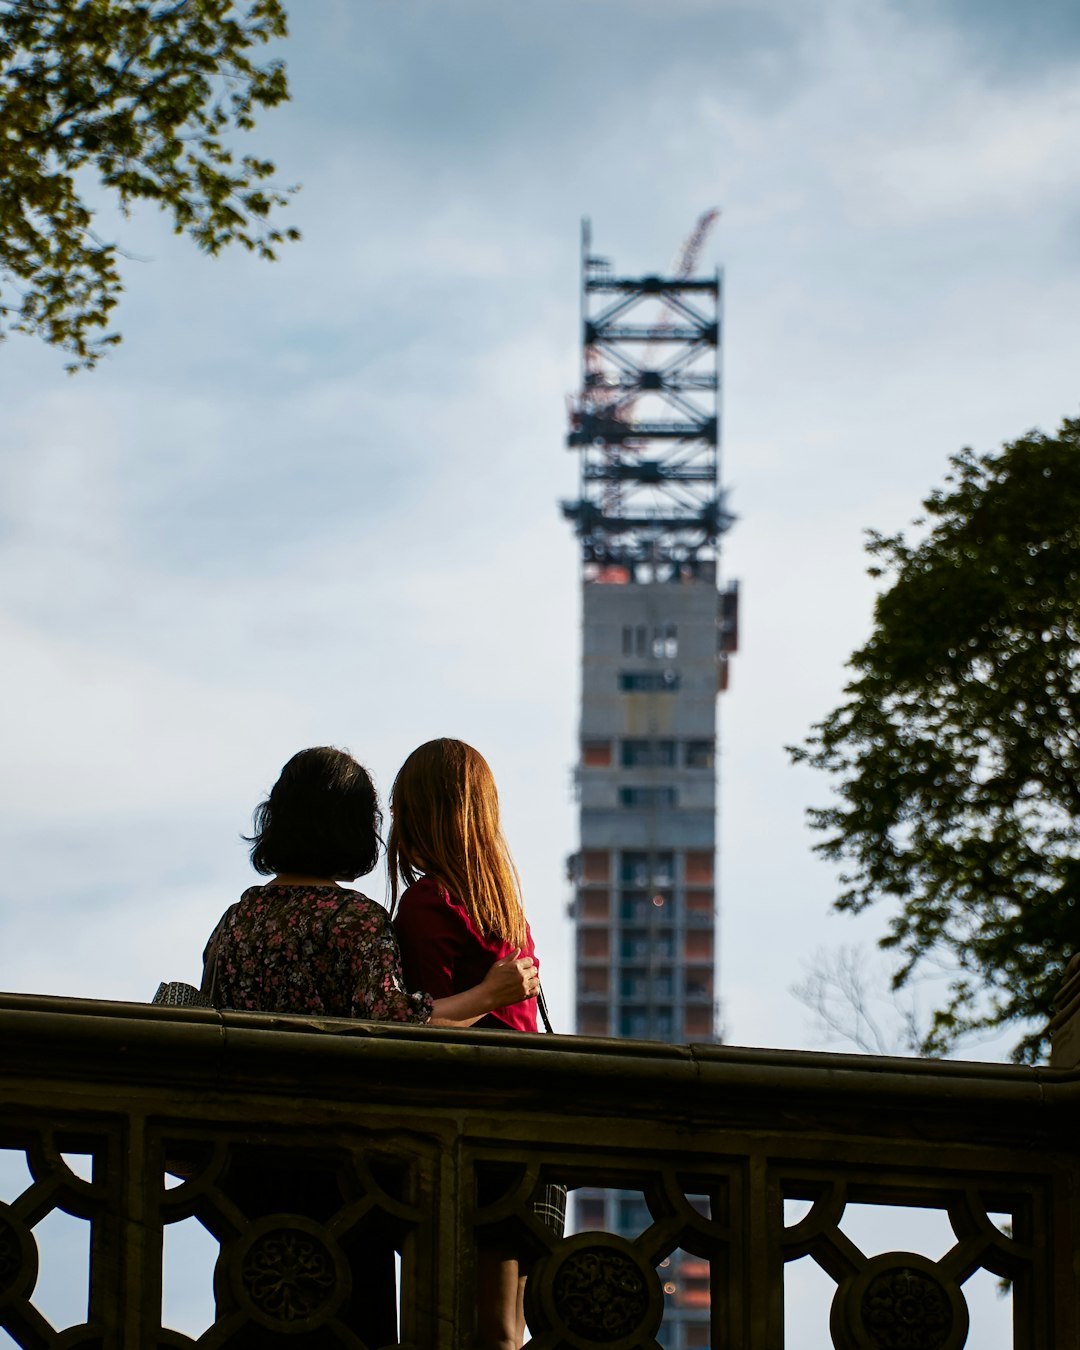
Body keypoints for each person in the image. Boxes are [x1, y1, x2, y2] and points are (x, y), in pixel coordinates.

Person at [199, 746, 537, 1347]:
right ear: (355, 829)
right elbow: (397, 1025)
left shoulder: (233, 925)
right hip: (342, 1176)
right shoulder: (354, 921)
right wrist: (488, 993)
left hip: (243, 1173)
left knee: (253, 1318)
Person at [388, 738, 541, 1350]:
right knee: (509, 1328)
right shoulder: (506, 911)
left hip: (467, 1138)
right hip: (527, 1130)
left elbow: (414, 1029)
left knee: (469, 1328)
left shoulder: (430, 904)